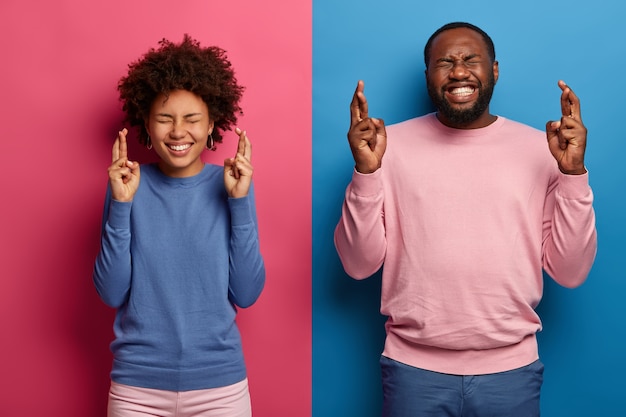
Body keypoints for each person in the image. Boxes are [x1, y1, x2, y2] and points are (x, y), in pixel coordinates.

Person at [334, 22, 597, 417]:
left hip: (510, 372)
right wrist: (366, 173)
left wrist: (573, 174)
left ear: (494, 71)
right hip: (412, 371)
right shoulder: (386, 148)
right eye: (445, 62)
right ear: (428, 77)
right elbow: (357, 265)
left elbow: (571, 272)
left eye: (471, 60)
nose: (458, 72)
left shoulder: (543, 150)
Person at [93, 35, 265, 417]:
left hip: (220, 388)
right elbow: (110, 292)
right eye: (164, 118)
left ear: (211, 126)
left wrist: (239, 202)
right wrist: (121, 205)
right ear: (147, 126)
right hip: (137, 388)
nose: (177, 131)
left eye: (191, 119)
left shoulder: (231, 186)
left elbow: (247, 292)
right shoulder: (128, 188)